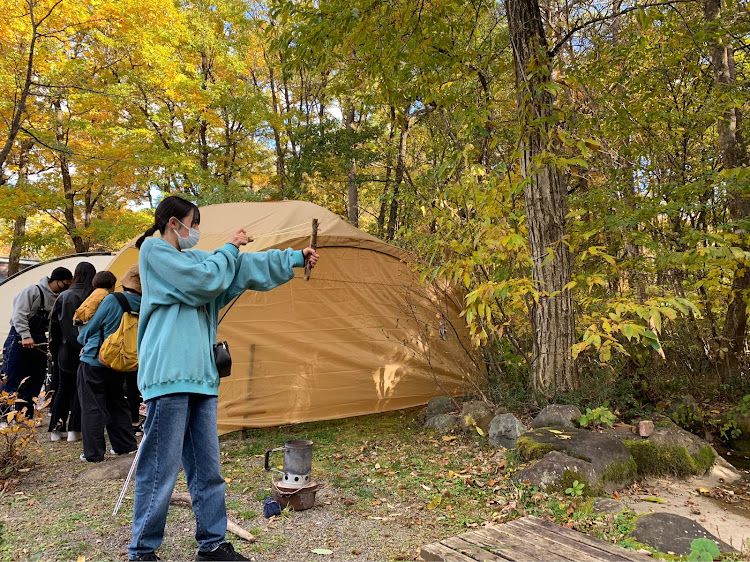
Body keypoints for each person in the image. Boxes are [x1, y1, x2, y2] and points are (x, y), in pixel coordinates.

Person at [128, 196, 319, 562]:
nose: (195, 231)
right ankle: (142, 551)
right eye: (192, 223)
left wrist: (294, 257)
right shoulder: (153, 252)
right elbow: (205, 279)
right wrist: (229, 246)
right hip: (169, 374)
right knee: (159, 469)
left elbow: (242, 267)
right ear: (173, 223)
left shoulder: (197, 259)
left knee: (207, 468)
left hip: (201, 376)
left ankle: (212, 544)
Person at [76, 265, 141, 462]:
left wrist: (82, 338)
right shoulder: (146, 302)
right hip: (122, 361)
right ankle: (125, 446)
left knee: (92, 406)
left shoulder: (113, 299)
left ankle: (93, 454)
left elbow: (91, 328)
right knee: (117, 402)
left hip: (96, 359)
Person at [1, 266, 72, 418]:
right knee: (12, 378)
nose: (66, 287)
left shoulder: (60, 298)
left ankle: (25, 416)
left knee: (35, 379)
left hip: (39, 340)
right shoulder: (32, 291)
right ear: (56, 280)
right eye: (65, 283)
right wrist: (26, 336)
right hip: (18, 339)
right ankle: (4, 416)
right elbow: (18, 316)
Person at [47, 262, 96, 442]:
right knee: (80, 390)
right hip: (89, 350)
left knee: (63, 389)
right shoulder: (94, 296)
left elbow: (54, 328)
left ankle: (56, 429)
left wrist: (54, 351)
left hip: (65, 351)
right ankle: (75, 430)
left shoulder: (64, 296)